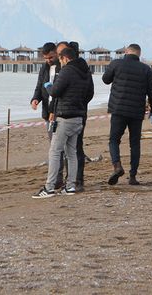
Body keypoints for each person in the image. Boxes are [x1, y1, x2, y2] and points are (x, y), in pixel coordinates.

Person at [33, 47, 94, 198]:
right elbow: (90, 93)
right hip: (79, 116)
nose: (61, 63)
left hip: (65, 117)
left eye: (61, 60)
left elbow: (55, 92)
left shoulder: (67, 71)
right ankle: (71, 186)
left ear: (65, 58)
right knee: (71, 153)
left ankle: (49, 187)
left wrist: (48, 87)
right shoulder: (85, 71)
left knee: (55, 151)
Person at [102, 44, 152, 186]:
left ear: (126, 52)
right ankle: (133, 176)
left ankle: (117, 166)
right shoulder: (146, 69)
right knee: (135, 143)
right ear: (139, 54)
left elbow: (105, 79)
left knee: (114, 140)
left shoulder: (116, 63)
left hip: (118, 109)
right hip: (136, 111)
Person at [56, 41, 90, 192]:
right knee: (71, 150)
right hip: (76, 112)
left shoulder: (72, 70)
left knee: (66, 149)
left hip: (71, 114)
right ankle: (71, 182)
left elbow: (55, 92)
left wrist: (76, 102)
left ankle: (73, 181)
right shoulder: (81, 70)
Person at [30, 42, 64, 187]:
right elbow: (39, 86)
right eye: (45, 58)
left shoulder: (63, 68)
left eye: (50, 57)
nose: (48, 60)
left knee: (61, 148)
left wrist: (53, 111)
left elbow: (60, 92)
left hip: (60, 111)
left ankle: (67, 179)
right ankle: (57, 178)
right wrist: (35, 99)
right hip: (47, 113)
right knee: (53, 147)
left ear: (56, 53)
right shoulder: (44, 68)